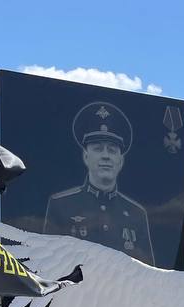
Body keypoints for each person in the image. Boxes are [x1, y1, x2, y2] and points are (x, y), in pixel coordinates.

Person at [44, 101, 155, 265]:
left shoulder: (136, 214)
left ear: (120, 160)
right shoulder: (61, 205)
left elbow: (149, 273)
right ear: (86, 156)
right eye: (97, 148)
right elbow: (49, 265)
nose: (105, 156)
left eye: (112, 150)